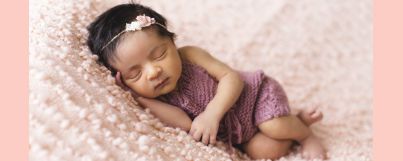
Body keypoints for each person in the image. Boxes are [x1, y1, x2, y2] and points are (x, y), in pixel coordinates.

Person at [86, 3, 326, 160]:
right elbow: (184, 123)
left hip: (257, 96)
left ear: (173, 42)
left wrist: (212, 114)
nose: (152, 72)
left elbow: (232, 78)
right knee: (264, 152)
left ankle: (305, 134)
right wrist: (137, 97)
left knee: (274, 126)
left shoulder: (190, 55)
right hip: (245, 133)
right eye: (134, 74)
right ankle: (295, 119)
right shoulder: (151, 95)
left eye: (159, 55)